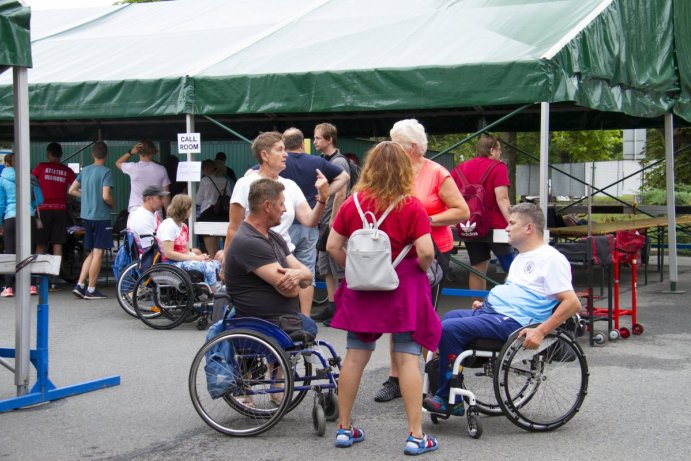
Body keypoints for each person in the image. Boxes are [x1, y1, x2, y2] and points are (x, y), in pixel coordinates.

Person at [325, 141, 441, 456]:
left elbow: (332, 246)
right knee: (407, 358)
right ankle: (416, 436)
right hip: (402, 287)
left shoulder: (352, 204)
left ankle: (345, 428)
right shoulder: (412, 206)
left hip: (363, 289)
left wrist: (356, 267)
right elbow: (427, 251)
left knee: (355, 356)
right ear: (405, 170)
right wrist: (416, 269)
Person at [422, 202, 581, 416]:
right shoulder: (521, 257)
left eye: (512, 223)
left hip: (515, 322)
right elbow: (515, 292)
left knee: (451, 328)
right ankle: (450, 385)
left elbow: (572, 303)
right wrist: (489, 302)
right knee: (449, 317)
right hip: (496, 313)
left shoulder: (552, 259)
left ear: (529, 228)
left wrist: (541, 331)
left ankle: (449, 398)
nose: (506, 228)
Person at [373, 119, 470, 403]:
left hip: (432, 251)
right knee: (397, 315)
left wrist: (425, 220)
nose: (389, 147)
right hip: (398, 253)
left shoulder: (437, 174)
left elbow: (462, 211)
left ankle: (426, 376)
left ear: (413, 147)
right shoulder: (391, 172)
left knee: (423, 316)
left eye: (395, 142)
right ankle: (396, 378)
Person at [223, 132, 328, 280]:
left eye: (284, 149)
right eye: (279, 150)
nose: (285, 154)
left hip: (285, 256)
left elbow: (310, 220)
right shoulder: (245, 183)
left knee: (301, 285)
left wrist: (322, 199)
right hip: (255, 258)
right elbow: (233, 228)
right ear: (265, 155)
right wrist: (226, 265)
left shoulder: (290, 185)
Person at [225, 178, 317, 336]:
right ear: (267, 206)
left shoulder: (274, 237)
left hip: (281, 319)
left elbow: (308, 275)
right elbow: (292, 291)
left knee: (309, 325)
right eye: (281, 204)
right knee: (309, 328)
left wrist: (300, 274)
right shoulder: (250, 242)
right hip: (265, 323)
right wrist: (300, 277)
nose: (285, 210)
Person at [281, 127, 348, 315]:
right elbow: (344, 177)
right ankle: (305, 316)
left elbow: (249, 175)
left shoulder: (279, 162)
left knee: (281, 268)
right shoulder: (317, 162)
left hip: (283, 224)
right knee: (306, 271)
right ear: (303, 143)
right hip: (310, 222)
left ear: (283, 145)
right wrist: (323, 194)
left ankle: (286, 314)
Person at [456, 133, 514, 291]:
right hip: (496, 225)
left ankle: (476, 306)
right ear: (492, 150)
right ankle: (522, 305)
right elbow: (502, 198)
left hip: (471, 223)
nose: (500, 153)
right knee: (512, 266)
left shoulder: (460, 168)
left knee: (477, 267)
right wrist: (513, 222)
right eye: (499, 149)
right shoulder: (498, 167)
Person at [313, 123, 350, 325]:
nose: (315, 141)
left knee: (339, 266)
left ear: (329, 139)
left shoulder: (339, 163)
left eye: (318, 138)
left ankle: (344, 307)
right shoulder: (323, 161)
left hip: (333, 222)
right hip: (325, 220)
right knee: (325, 265)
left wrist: (333, 222)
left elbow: (341, 194)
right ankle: (332, 305)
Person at [68, 141, 114, 300]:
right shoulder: (106, 172)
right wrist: (113, 203)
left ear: (92, 154)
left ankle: (80, 285)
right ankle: (91, 289)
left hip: (86, 216)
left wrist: (86, 195)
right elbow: (106, 196)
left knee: (92, 252)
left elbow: (71, 190)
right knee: (99, 252)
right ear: (106, 155)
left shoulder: (85, 170)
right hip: (101, 217)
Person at [156, 194, 222, 292]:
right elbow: (168, 253)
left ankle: (211, 289)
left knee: (216, 263)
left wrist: (201, 257)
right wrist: (195, 258)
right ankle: (215, 293)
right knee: (209, 266)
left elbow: (186, 252)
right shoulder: (168, 225)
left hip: (183, 261)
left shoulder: (183, 226)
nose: (191, 210)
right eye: (189, 208)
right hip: (171, 264)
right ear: (184, 209)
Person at [0, 154, 44, 297]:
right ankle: (31, 285)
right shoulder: (31, 178)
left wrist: (0, 222)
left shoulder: (2, 179)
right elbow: (41, 199)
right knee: (28, 252)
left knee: (10, 252)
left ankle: (8, 287)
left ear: (8, 164)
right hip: (28, 217)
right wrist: (30, 206)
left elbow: (1, 204)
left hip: (10, 218)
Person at [32, 142, 77, 257]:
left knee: (40, 244)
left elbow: (29, 181)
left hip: (43, 211)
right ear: (61, 154)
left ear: (48, 153)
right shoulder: (66, 170)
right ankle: (56, 273)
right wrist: (67, 195)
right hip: (61, 211)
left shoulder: (41, 167)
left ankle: (38, 272)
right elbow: (76, 186)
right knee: (58, 244)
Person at [115, 139, 170, 213]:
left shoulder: (132, 167)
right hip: (155, 211)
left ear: (138, 152)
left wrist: (130, 152)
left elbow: (118, 163)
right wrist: (169, 215)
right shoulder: (161, 169)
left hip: (136, 210)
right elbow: (166, 195)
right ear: (152, 152)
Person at [197, 159, 233, 256]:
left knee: (212, 253)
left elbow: (198, 200)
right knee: (225, 252)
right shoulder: (225, 180)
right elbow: (229, 197)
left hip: (208, 215)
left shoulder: (205, 180)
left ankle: (214, 270)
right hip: (223, 215)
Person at [127, 185, 168, 250]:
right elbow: (150, 245)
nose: (162, 201)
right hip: (149, 256)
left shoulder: (153, 213)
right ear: (148, 199)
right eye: (159, 198)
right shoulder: (142, 217)